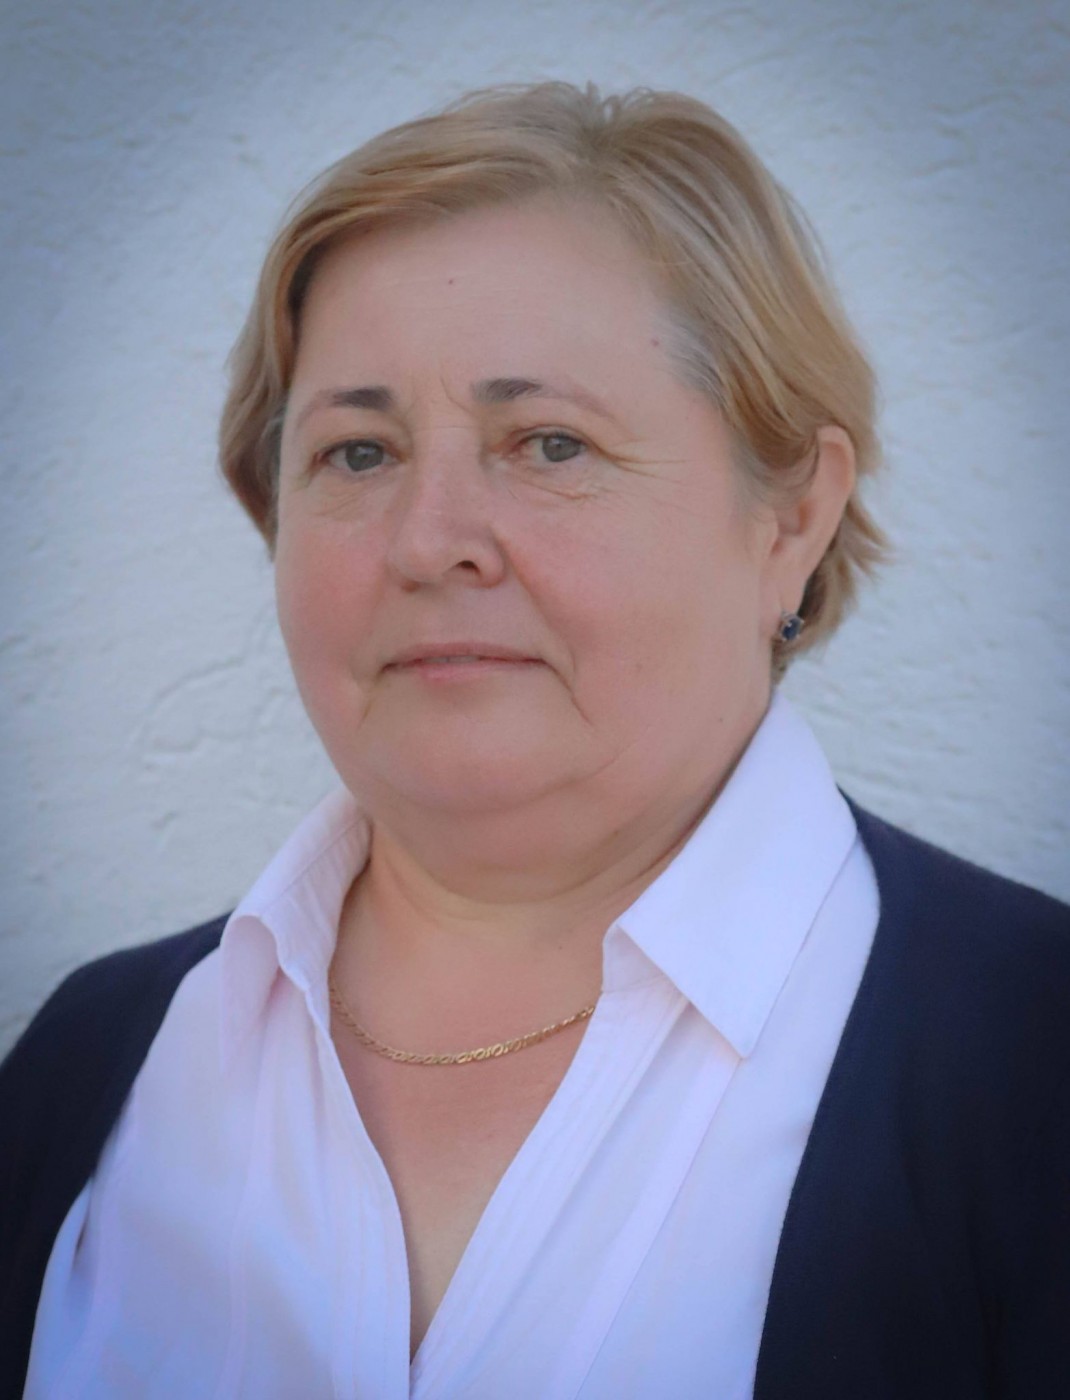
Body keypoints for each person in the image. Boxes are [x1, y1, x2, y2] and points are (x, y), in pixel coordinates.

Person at [2, 80, 1068, 1400]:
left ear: (790, 518)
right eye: (357, 453)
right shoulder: (85, 1065)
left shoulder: (1036, 1063)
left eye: (548, 443)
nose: (429, 539)